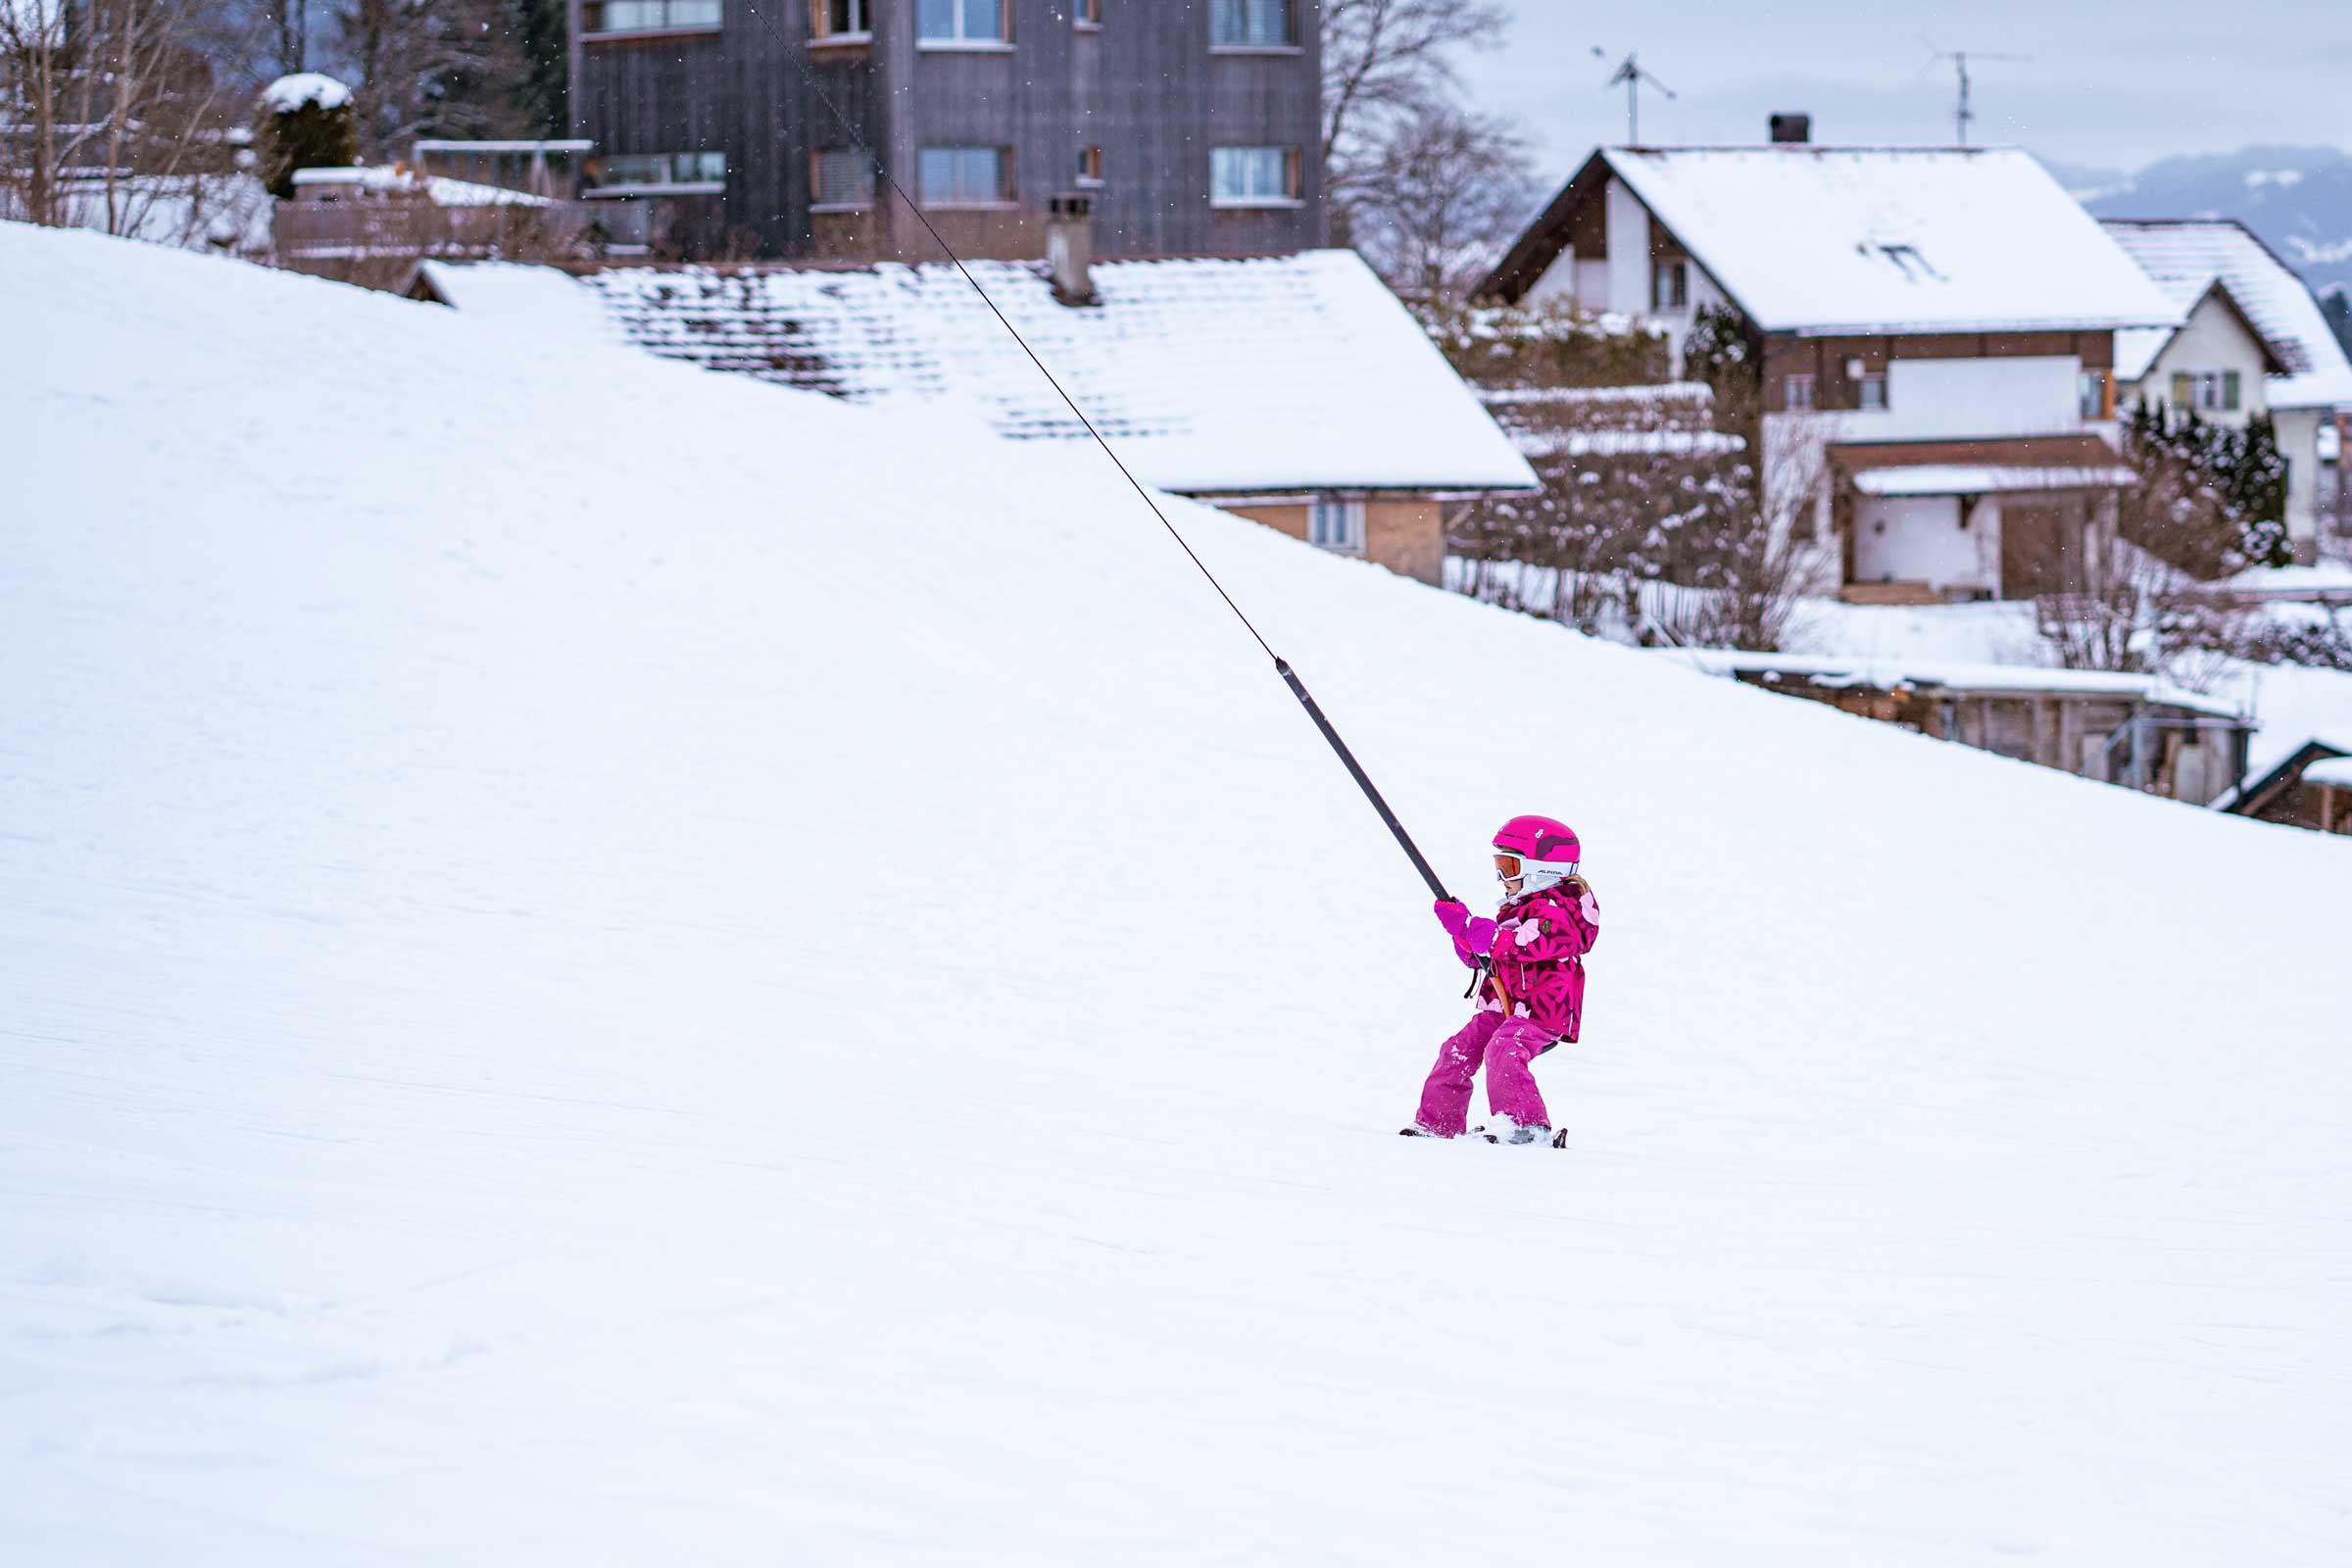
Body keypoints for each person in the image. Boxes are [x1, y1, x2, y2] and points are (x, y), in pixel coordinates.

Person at [1402, 814, 1599, 1145]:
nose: (1500, 877)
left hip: (1541, 1011)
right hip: (1505, 1005)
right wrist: (1461, 931)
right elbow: (1487, 956)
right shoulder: (1515, 909)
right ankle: (1439, 1124)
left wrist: (1481, 932)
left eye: (1509, 867)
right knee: (1457, 1049)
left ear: (1542, 871)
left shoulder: (1561, 913)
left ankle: (1524, 1125)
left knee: (1505, 1048)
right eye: (1499, 865)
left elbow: (1527, 945)